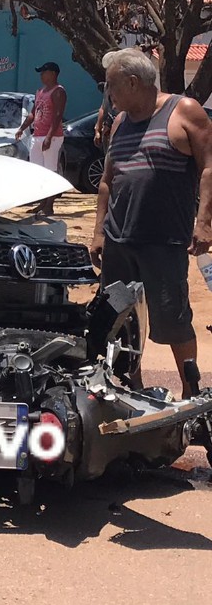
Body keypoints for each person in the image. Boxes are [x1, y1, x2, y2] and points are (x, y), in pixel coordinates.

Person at [90, 47, 212, 397]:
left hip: (164, 239)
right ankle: (131, 389)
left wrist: (203, 222)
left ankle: (191, 395)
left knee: (172, 318)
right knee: (118, 320)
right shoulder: (119, 122)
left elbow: (208, 167)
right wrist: (99, 232)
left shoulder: (184, 111)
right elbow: (107, 181)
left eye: (111, 86)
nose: (108, 94)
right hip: (119, 238)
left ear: (132, 82)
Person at [15, 61, 67, 216]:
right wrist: (22, 128)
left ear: (52, 73)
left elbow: (58, 115)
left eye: (44, 72)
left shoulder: (59, 91)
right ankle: (42, 202)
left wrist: (50, 136)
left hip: (51, 136)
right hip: (37, 135)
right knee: (39, 172)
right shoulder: (40, 91)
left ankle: (49, 205)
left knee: (50, 170)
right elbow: (33, 113)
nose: (41, 75)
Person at [93, 80, 118, 148]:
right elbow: (103, 108)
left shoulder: (125, 87)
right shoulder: (107, 87)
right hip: (109, 127)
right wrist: (98, 129)